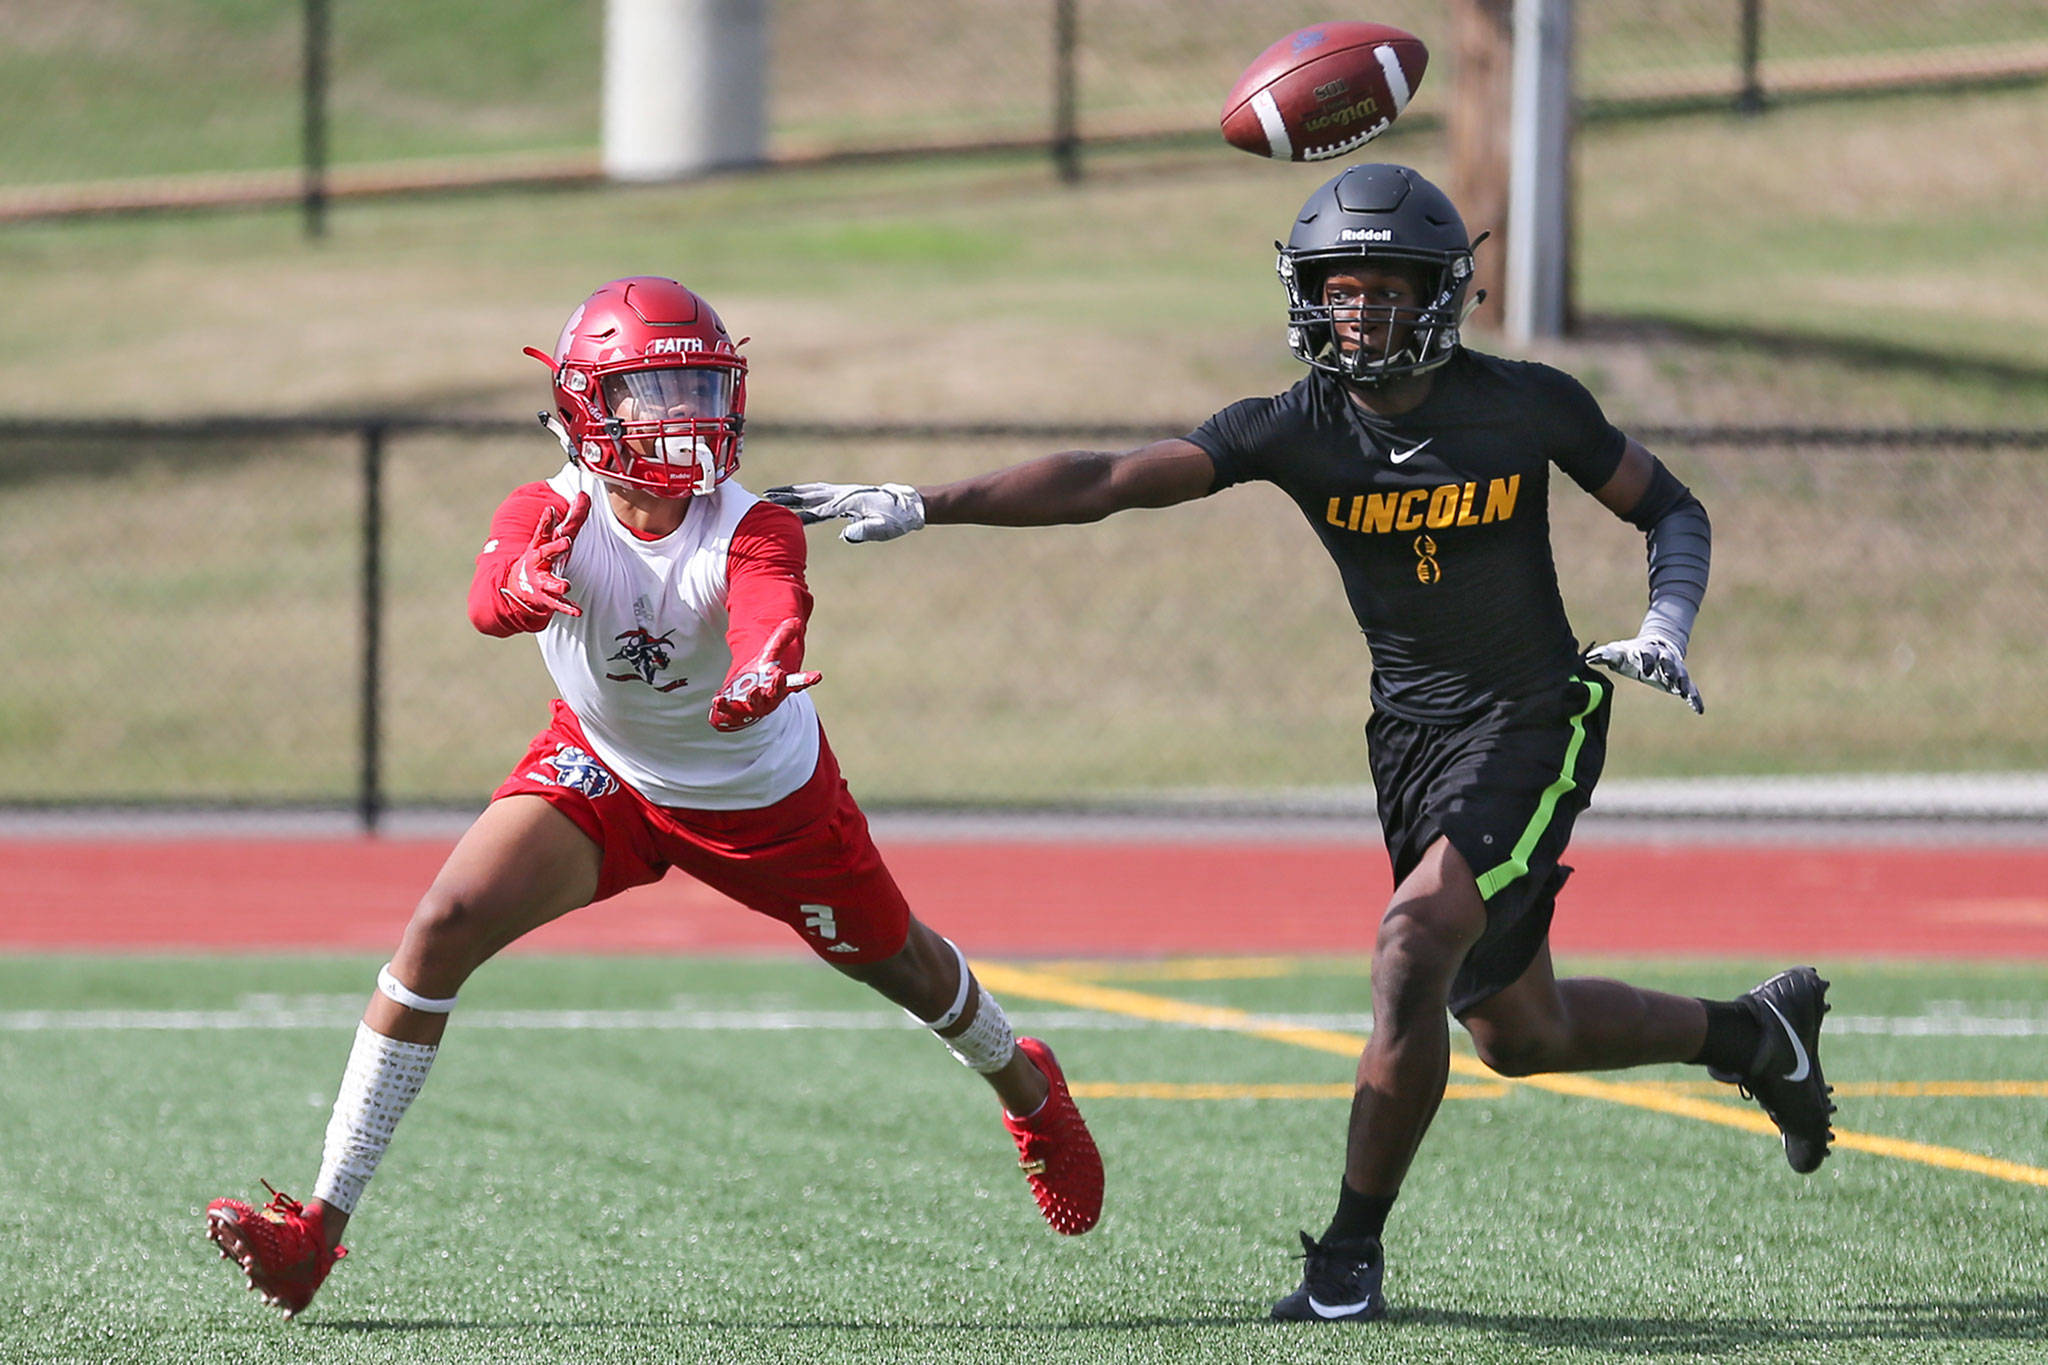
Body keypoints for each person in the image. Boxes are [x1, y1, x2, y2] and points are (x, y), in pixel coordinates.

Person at [764, 164, 1835, 1324]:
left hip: (1535, 713)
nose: (1358, 313)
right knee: (1522, 1033)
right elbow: (1113, 479)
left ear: (1443, 294)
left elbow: (1668, 506)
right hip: (1408, 738)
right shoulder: (1297, 424)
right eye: (1339, 289)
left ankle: (1345, 1262)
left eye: (1385, 290)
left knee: (1407, 947)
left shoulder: (1527, 402)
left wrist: (1663, 622)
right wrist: (931, 502)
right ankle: (1753, 1033)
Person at [204, 276, 1103, 1318]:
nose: (680, 413)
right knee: (440, 926)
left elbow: (773, 607)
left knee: (897, 963)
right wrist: (518, 593)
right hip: (605, 773)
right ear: (588, 406)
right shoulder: (547, 507)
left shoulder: (749, 522)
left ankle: (1027, 1089)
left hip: (762, 803)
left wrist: (761, 667)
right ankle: (317, 1229)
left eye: (696, 385)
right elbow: (485, 600)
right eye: (650, 389)